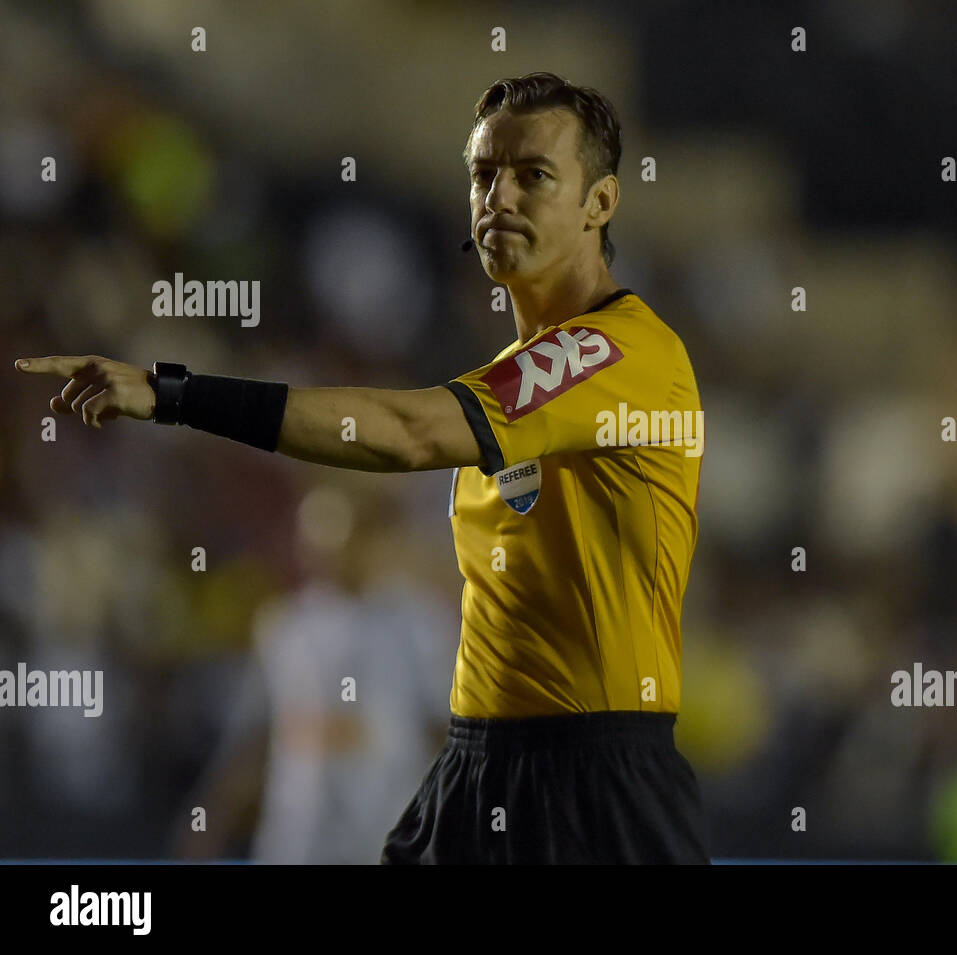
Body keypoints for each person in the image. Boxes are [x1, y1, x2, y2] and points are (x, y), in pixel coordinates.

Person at [14, 71, 711, 864]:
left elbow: (407, 432)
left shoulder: (619, 352)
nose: (500, 198)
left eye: (534, 175)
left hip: (594, 785)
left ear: (601, 202)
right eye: (484, 174)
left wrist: (175, 393)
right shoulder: (525, 375)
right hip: (480, 765)